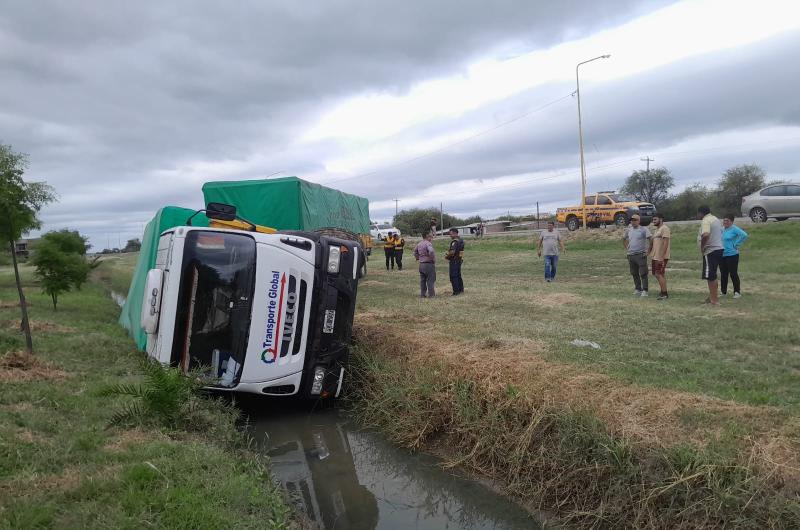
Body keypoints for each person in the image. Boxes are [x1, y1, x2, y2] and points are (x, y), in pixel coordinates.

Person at [697, 205, 724, 306]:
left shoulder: (706, 220)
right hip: (719, 249)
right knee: (713, 275)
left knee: (710, 276)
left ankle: (714, 301)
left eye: (698, 213)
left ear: (701, 213)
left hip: (710, 250)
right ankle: (712, 297)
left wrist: (702, 246)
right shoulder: (715, 219)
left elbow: (706, 234)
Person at [622, 214, 652, 297]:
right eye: (632, 220)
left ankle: (645, 290)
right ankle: (638, 289)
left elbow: (650, 239)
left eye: (635, 220)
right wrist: (626, 248)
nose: (633, 222)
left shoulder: (643, 229)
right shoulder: (628, 230)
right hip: (631, 255)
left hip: (640, 254)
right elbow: (624, 239)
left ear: (639, 221)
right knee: (634, 273)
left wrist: (648, 251)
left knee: (643, 273)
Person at [720, 214, 748, 298]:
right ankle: (723, 292)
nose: (725, 222)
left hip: (732, 254)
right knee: (723, 274)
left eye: (727, 220)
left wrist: (736, 244)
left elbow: (744, 235)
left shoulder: (734, 229)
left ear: (732, 221)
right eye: (724, 220)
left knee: (733, 273)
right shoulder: (722, 229)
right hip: (722, 254)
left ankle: (737, 292)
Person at [648, 213, 671, 300]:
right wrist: (649, 252)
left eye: (655, 219)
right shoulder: (657, 230)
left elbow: (665, 243)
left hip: (661, 256)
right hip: (655, 255)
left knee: (658, 274)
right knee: (658, 274)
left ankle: (664, 294)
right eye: (653, 220)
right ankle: (662, 290)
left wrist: (662, 256)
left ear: (661, 219)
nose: (653, 221)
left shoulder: (665, 229)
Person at [413, 232, 436, 298]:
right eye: (430, 237)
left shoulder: (419, 243)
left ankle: (422, 294)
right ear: (427, 236)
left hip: (421, 264)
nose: (431, 238)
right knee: (430, 280)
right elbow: (431, 251)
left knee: (422, 280)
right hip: (428, 264)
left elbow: (415, 252)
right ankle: (431, 295)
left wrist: (418, 258)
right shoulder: (428, 243)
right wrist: (432, 258)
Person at [445, 228, 465, 295]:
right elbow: (461, 251)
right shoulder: (461, 240)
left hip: (454, 261)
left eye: (451, 234)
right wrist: (461, 258)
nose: (450, 236)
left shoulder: (454, 242)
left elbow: (452, 252)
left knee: (453, 276)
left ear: (455, 233)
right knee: (458, 275)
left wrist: (447, 256)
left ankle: (456, 292)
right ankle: (461, 289)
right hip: (459, 260)